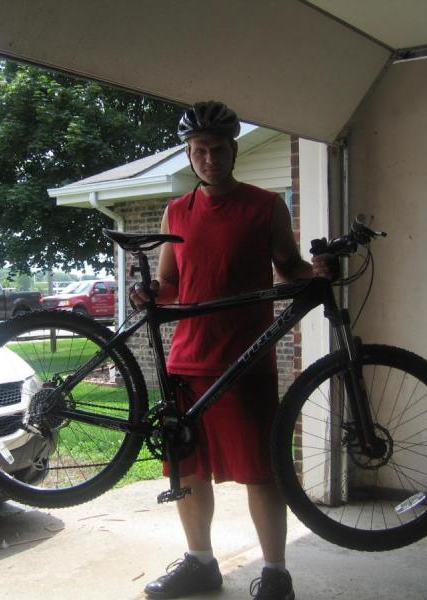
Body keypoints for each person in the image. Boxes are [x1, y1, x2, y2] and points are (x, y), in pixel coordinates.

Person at [131, 101, 335, 600]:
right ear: (189, 153)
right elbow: (169, 283)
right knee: (189, 468)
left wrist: (318, 272)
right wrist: (150, 295)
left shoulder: (264, 205)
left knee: (262, 472)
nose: (208, 158)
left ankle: (275, 573)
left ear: (233, 151)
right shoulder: (177, 210)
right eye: (198, 150)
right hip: (187, 360)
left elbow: (288, 268)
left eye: (217, 149)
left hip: (246, 362)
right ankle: (200, 563)